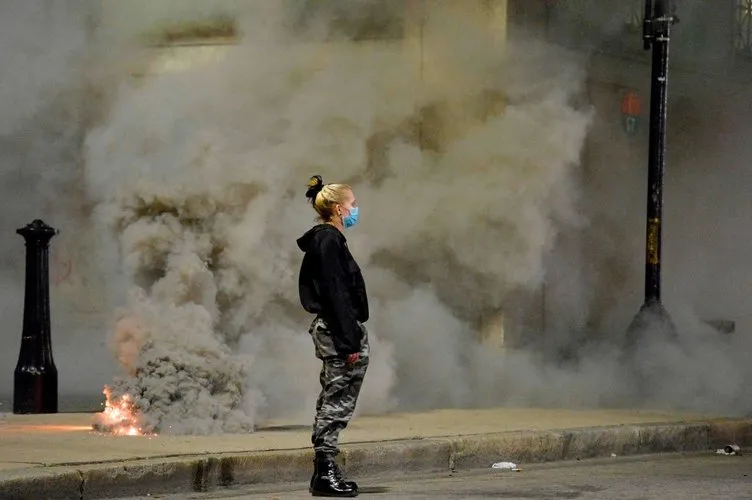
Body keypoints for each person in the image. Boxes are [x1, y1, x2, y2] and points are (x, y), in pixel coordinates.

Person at [297, 175, 370, 498]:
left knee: (335, 399)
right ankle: (325, 471)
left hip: (339, 328)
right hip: (338, 330)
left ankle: (324, 471)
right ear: (339, 209)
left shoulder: (329, 240)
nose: (356, 209)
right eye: (352, 204)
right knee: (336, 401)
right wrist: (349, 341)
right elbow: (335, 293)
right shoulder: (328, 241)